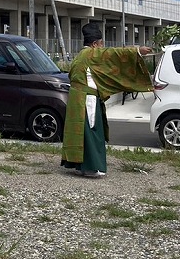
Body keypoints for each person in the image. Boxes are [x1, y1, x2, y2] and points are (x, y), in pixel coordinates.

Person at [61, 22, 154, 178]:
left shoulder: (80, 56)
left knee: (81, 133)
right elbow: (114, 54)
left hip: (77, 99)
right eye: (101, 43)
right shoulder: (92, 54)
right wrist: (138, 51)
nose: (102, 46)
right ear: (95, 43)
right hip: (87, 100)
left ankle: (81, 166)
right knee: (92, 133)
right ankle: (92, 167)